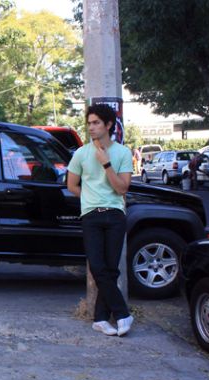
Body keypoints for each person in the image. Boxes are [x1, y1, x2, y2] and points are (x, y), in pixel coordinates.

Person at [66, 104, 134, 337]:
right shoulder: (81, 153)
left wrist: (106, 163)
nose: (91, 127)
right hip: (91, 215)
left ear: (108, 125)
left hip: (115, 214)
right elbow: (71, 185)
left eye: (96, 123)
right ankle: (123, 313)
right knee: (97, 266)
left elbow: (122, 188)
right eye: (89, 123)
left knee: (111, 269)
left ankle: (101, 318)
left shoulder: (123, 153)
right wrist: (90, 197)